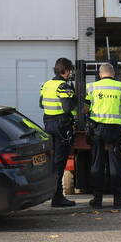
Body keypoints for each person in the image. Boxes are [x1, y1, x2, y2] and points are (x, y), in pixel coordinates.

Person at [85, 63, 121, 209]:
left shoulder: (92, 87)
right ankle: (118, 199)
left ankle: (97, 199)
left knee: (97, 163)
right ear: (113, 74)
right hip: (115, 130)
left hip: (97, 130)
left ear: (100, 74)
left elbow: (85, 109)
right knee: (115, 163)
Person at [39, 57, 77, 207]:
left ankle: (53, 194)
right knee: (59, 162)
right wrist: (75, 99)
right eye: (70, 71)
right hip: (62, 126)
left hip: (48, 124)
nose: (70, 74)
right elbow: (68, 108)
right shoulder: (64, 86)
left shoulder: (46, 85)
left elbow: (41, 104)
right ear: (66, 70)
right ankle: (57, 197)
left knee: (53, 161)